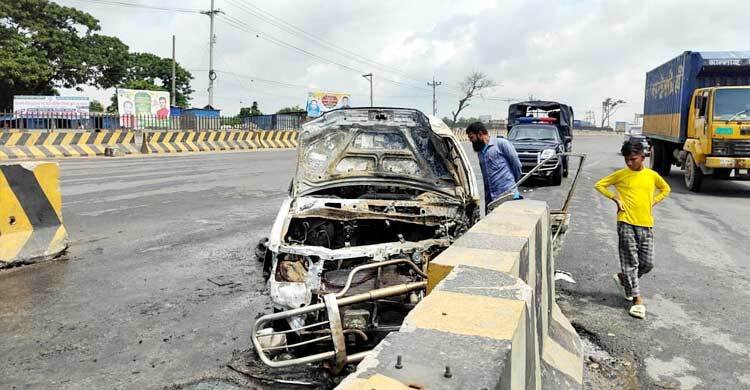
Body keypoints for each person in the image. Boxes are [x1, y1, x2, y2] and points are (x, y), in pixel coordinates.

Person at [594, 140, 671, 319]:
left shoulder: (652, 176)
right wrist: (615, 198)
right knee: (631, 263)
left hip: (646, 224)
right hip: (626, 222)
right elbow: (599, 185)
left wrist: (654, 201)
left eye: (633, 159)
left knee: (648, 263)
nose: (629, 163)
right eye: (627, 159)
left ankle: (623, 277)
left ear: (643, 158)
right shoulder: (621, 175)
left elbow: (666, 189)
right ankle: (637, 299)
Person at [465, 122, 522, 213]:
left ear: (480, 134)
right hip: (491, 200)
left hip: (508, 196)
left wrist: (511, 185)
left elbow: (517, 166)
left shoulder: (501, 144)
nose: (470, 140)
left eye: (471, 137)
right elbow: (486, 178)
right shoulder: (480, 153)